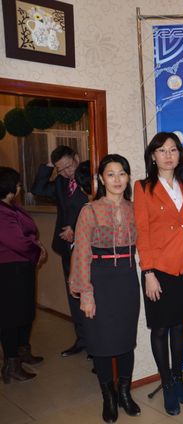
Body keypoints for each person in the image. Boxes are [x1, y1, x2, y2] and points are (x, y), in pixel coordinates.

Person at [69, 154, 141, 423]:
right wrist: (86, 293)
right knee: (100, 342)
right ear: (101, 178)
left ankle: (124, 393)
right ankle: (108, 397)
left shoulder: (135, 208)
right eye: (111, 174)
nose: (117, 179)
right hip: (99, 279)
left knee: (125, 341)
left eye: (122, 173)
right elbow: (81, 253)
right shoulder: (89, 210)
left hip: (127, 279)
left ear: (128, 177)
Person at [134, 132, 183, 416]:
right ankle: (167, 383)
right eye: (162, 150)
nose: (168, 155)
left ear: (180, 154)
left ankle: (179, 379)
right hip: (158, 269)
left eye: (173, 150)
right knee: (160, 328)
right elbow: (142, 232)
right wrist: (148, 272)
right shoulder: (143, 187)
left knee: (180, 326)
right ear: (153, 156)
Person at [31, 146, 89, 357]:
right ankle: (81, 339)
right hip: (66, 249)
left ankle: (95, 344)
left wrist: (77, 229)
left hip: (88, 248)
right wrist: (50, 165)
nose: (67, 172)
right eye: (60, 169)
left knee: (90, 294)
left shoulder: (89, 177)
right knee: (73, 295)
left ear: (77, 158)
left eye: (69, 166)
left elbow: (95, 208)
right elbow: (38, 189)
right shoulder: (61, 183)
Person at [0, 167, 47, 383]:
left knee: (25, 312)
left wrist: (36, 245)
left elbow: (27, 233)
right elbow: (17, 241)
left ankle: (22, 352)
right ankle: (11, 364)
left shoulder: (11, 206)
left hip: (22, 267)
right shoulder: (1, 211)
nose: (20, 187)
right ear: (8, 187)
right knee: (11, 316)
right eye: (17, 184)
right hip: (10, 270)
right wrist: (38, 251)